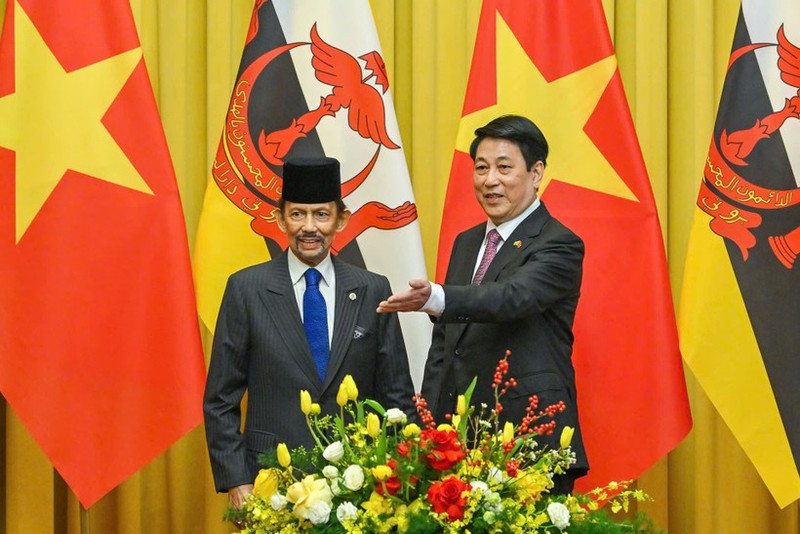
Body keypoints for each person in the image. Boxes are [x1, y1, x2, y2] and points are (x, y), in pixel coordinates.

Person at [377, 115, 588, 492]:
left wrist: (438, 296)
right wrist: (428, 425)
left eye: (504, 168)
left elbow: (512, 297)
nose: (490, 180)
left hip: (528, 438)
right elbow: (446, 344)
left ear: (536, 173)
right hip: (458, 441)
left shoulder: (559, 243)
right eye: (481, 168)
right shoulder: (467, 242)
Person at [204, 156, 417, 508]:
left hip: (358, 484)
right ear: (280, 218)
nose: (309, 227)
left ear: (341, 219)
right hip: (270, 482)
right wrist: (236, 479)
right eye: (297, 214)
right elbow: (220, 399)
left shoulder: (373, 290)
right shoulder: (246, 288)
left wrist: (401, 473)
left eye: (321, 214)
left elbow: (396, 395)